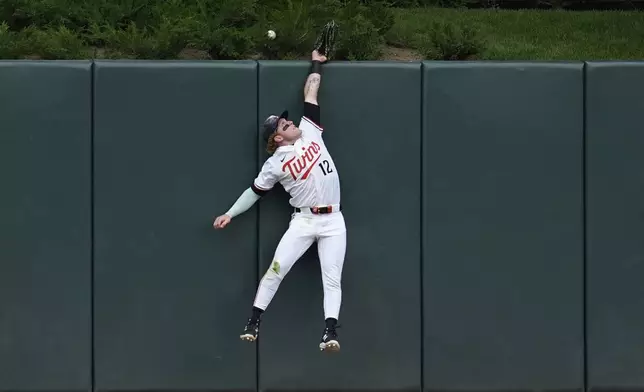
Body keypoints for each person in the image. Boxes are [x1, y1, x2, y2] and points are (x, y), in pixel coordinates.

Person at [212, 50, 346, 352]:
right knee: (276, 268)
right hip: (303, 220)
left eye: (286, 121)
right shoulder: (275, 164)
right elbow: (255, 192)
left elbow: (311, 89)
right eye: (283, 125)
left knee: (332, 278)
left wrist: (316, 62)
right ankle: (254, 320)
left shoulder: (310, 131)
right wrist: (230, 213)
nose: (289, 123)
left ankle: (330, 332)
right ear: (277, 139)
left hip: (334, 220)